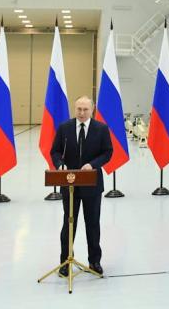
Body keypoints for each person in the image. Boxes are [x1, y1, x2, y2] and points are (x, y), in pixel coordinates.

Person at [50, 96, 113, 277]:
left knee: (92, 224)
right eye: (79, 109)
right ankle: (65, 261)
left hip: (92, 184)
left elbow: (108, 152)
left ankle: (94, 261)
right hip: (69, 184)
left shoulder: (101, 129)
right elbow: (55, 151)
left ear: (92, 109)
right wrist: (59, 164)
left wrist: (92, 164)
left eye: (85, 109)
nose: (82, 113)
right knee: (69, 224)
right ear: (74, 109)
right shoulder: (64, 128)